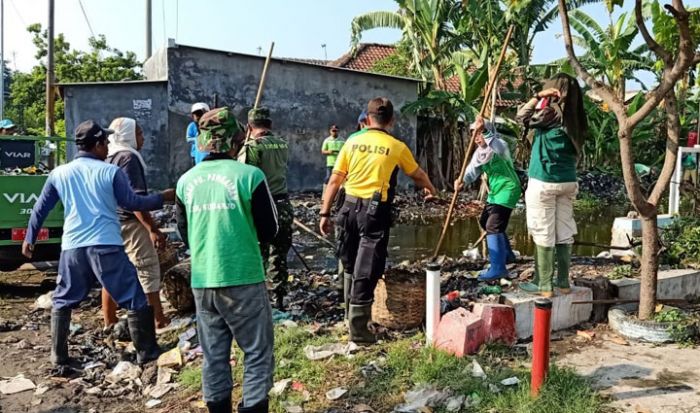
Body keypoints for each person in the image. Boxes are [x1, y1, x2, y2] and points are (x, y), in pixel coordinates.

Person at [22, 120, 175, 369]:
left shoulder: (59, 173)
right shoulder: (109, 172)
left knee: (63, 299)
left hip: (72, 247)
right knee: (135, 297)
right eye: (105, 141)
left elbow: (41, 207)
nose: (108, 145)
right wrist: (163, 197)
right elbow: (132, 202)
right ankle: (147, 352)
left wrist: (30, 237)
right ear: (97, 145)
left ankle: (59, 356)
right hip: (105, 245)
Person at [176, 107, 277, 413]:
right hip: (243, 276)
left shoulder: (185, 181)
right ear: (236, 140)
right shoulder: (250, 176)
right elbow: (270, 229)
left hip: (203, 279)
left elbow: (184, 233)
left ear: (203, 143)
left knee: (214, 354)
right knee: (257, 352)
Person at [320, 97, 437, 343]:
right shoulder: (396, 146)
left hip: (347, 208)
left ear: (367, 118)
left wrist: (324, 212)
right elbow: (417, 174)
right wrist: (429, 189)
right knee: (367, 267)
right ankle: (360, 332)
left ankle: (348, 316)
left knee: (349, 263)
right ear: (391, 120)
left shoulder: (351, 142)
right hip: (373, 212)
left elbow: (335, 180)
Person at [516, 73, 587, 297]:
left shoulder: (549, 114)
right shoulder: (578, 118)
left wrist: (538, 96)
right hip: (568, 180)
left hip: (544, 180)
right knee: (564, 232)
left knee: (542, 231)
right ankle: (563, 282)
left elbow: (522, 117)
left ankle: (543, 285)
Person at [102, 117, 170, 330]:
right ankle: (157, 319)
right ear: (128, 135)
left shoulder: (109, 155)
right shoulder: (128, 158)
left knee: (112, 272)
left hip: (112, 221)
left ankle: (109, 321)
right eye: (139, 133)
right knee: (147, 268)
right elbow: (136, 200)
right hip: (131, 224)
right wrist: (152, 229)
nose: (142, 137)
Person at [454, 116, 521, 281]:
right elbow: (471, 171)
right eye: (474, 135)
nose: (476, 138)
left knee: (493, 226)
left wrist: (484, 129)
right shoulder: (479, 153)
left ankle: (498, 268)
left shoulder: (500, 146)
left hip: (508, 189)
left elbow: (496, 146)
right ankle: (507, 255)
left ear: (488, 132)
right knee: (485, 221)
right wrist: (461, 181)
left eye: (479, 134)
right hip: (495, 192)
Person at [239, 107, 291, 309]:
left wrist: (244, 147)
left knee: (258, 252)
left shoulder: (253, 147)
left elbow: (247, 176)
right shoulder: (282, 143)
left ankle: (257, 298)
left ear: (249, 127)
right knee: (279, 254)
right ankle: (279, 298)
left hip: (262, 205)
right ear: (270, 125)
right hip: (283, 204)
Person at [321, 124, 345, 189]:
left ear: (338, 131)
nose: (334, 132)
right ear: (330, 131)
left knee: (341, 179)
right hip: (330, 163)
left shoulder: (342, 140)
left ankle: (338, 195)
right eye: (333, 130)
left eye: (335, 131)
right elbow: (323, 151)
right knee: (328, 177)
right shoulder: (327, 140)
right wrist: (329, 152)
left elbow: (345, 151)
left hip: (340, 163)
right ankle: (325, 193)